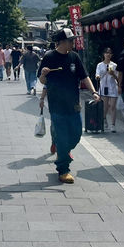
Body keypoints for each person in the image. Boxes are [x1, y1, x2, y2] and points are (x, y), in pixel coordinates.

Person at [38, 28, 100, 184]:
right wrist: (44, 75)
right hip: (57, 105)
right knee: (63, 137)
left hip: (74, 104)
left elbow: (84, 76)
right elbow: (42, 81)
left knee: (76, 134)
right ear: (63, 41)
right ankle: (63, 170)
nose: (73, 42)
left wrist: (93, 92)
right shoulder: (49, 57)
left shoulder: (74, 57)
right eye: (71, 40)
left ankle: (63, 149)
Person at [96, 47, 119, 133]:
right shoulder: (99, 65)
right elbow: (97, 75)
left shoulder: (114, 65)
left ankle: (113, 125)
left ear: (112, 55)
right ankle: (104, 119)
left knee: (113, 106)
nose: (108, 54)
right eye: (106, 53)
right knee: (105, 107)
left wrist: (113, 74)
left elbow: (118, 77)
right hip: (104, 87)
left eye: (109, 53)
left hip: (113, 87)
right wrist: (98, 76)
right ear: (104, 54)